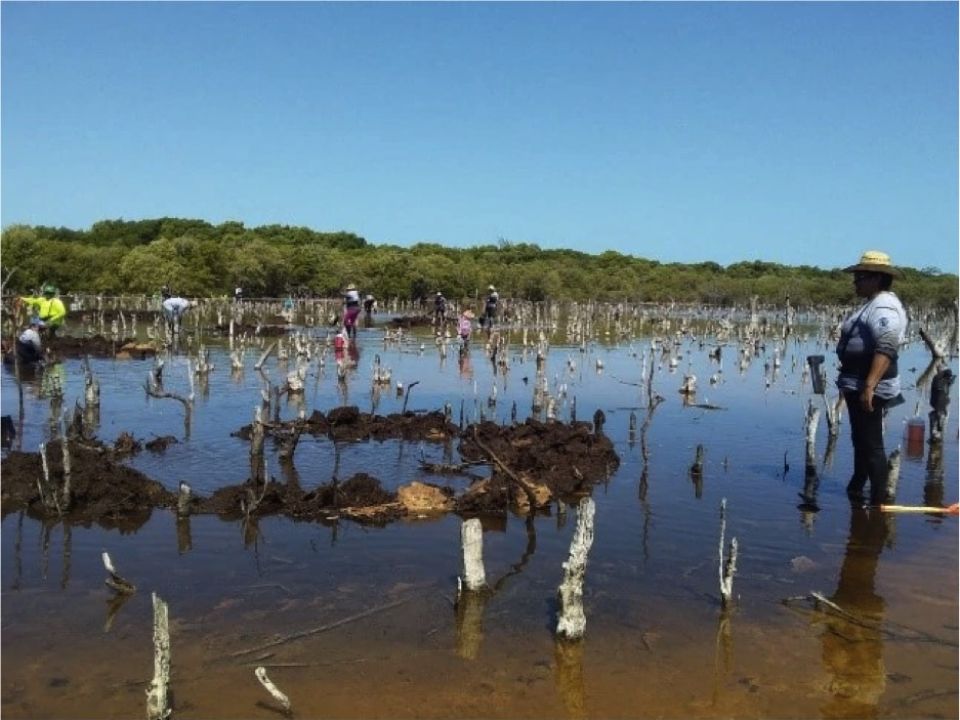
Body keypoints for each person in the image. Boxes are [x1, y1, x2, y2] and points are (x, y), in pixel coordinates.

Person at [835, 250, 907, 505]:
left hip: (870, 387)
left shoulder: (884, 306)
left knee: (871, 444)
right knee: (861, 439)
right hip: (859, 383)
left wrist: (869, 386)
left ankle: (880, 502)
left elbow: (887, 345)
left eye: (860, 277)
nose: (855, 282)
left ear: (876, 278)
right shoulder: (873, 303)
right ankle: (858, 487)